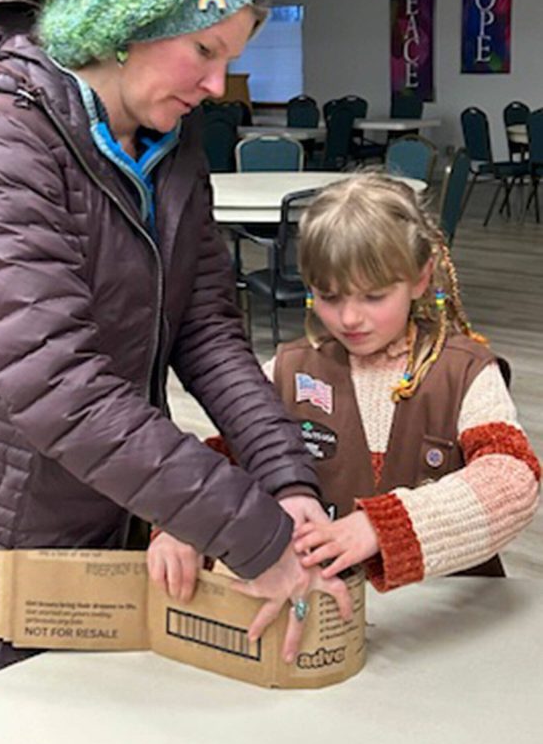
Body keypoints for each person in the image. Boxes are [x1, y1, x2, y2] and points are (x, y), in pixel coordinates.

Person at [0, 0, 346, 729]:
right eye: (202, 50)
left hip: (119, 499)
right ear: (127, 26)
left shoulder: (171, 151)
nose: (214, 83)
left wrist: (286, 480)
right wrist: (255, 538)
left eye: (225, 58)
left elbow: (209, 334)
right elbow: (58, 388)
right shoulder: (5, 142)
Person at [151, 172, 539, 608]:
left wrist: (382, 527)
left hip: (450, 610)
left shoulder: (465, 372)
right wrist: (181, 524)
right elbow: (223, 460)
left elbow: (513, 480)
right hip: (322, 609)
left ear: (421, 276)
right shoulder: (287, 370)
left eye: (373, 296)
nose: (350, 318)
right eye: (330, 296)